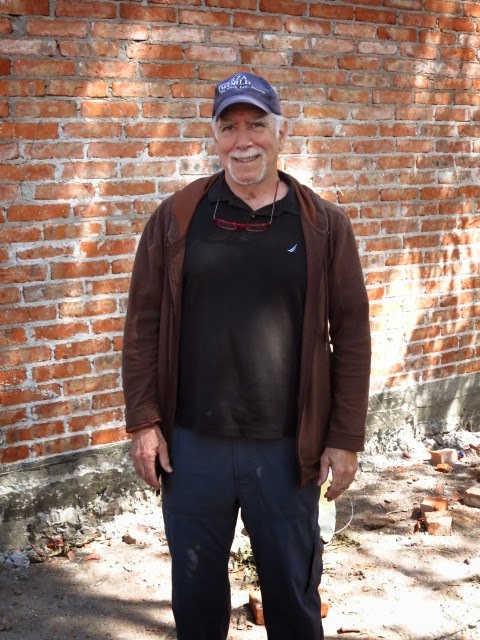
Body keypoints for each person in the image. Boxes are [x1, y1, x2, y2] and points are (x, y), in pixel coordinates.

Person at [122, 71, 371, 640]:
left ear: (280, 132)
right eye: (229, 127)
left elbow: (352, 335)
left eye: (256, 124)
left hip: (286, 450)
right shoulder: (176, 219)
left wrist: (344, 437)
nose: (243, 141)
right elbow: (142, 326)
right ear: (214, 136)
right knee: (196, 599)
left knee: (293, 597)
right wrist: (143, 422)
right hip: (191, 449)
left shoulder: (323, 225)